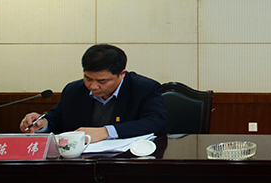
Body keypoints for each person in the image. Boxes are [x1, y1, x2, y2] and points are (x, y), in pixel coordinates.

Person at [20, 44, 167, 142]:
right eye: (88, 78)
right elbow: (56, 121)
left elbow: (157, 123)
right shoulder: (74, 90)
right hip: (82, 162)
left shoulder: (144, 88)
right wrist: (42, 124)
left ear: (122, 74)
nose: (93, 86)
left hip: (127, 161)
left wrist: (106, 132)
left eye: (102, 81)